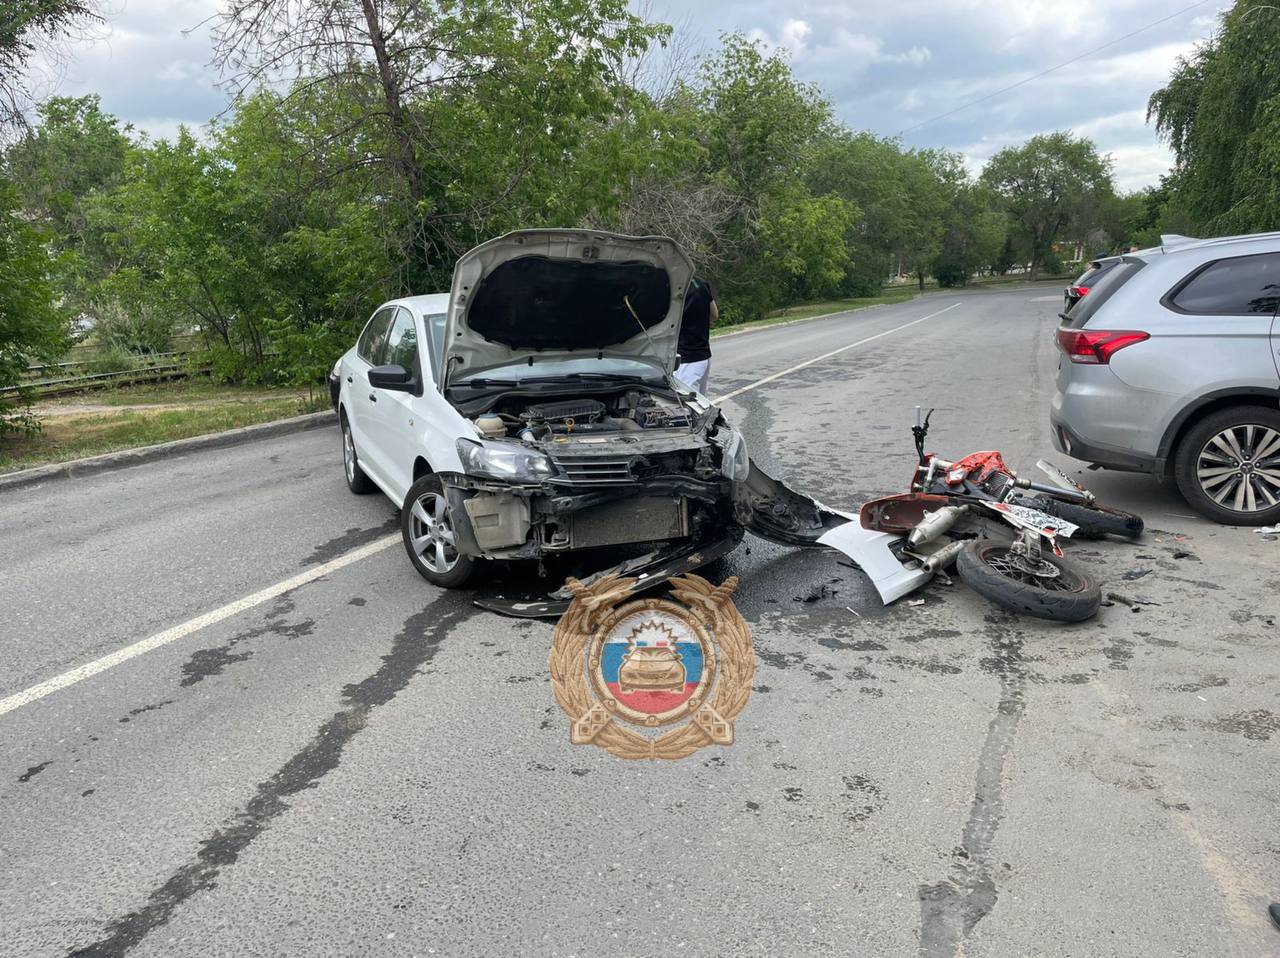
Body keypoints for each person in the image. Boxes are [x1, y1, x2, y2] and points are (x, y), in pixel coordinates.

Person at [674, 275, 716, 394]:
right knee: (701, 405)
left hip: (686, 359)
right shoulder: (701, 282)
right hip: (703, 356)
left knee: (683, 406)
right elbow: (714, 315)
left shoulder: (673, 287)